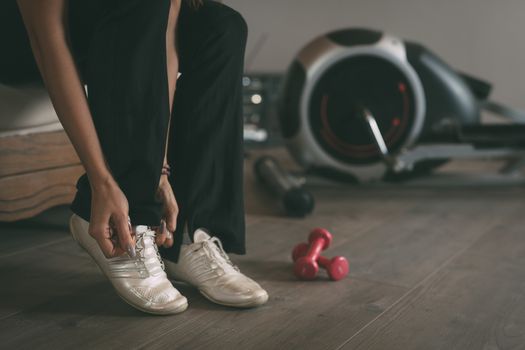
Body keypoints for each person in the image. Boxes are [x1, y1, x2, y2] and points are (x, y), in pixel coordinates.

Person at [10, 0, 268, 315]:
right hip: (15, 36)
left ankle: (187, 234)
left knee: (220, 26)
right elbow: (46, 38)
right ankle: (127, 222)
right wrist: (101, 181)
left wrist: (158, 170)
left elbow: (165, 38)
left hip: (103, 25)